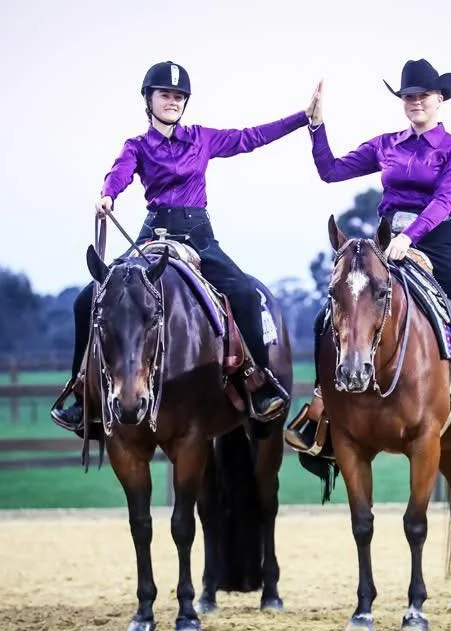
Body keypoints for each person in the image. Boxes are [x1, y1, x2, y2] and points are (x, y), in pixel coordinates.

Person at [52, 60, 320, 431]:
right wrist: (108, 195)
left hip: (198, 236)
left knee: (243, 292)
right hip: (151, 236)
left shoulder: (202, 138)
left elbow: (249, 137)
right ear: (149, 99)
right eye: (165, 95)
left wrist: (302, 118)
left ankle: (258, 382)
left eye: (179, 96)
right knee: (87, 298)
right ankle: (81, 391)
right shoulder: (138, 146)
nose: (172, 101)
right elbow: (120, 171)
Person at [286, 58, 451, 452]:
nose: (415, 102)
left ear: (439, 99)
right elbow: (330, 170)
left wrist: (410, 237)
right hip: (385, 236)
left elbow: (444, 201)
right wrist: (316, 126)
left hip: (436, 240)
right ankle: (320, 408)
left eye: (423, 95)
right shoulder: (385, 144)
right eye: (408, 96)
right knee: (333, 309)